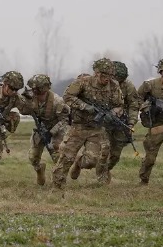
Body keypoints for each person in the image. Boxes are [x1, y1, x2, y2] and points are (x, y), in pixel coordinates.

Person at [52, 58, 127, 188]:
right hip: (78, 127)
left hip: (96, 128)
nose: (107, 78)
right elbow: (67, 97)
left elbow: (120, 105)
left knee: (93, 160)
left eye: (110, 75)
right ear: (96, 73)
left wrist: (113, 113)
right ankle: (57, 186)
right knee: (66, 157)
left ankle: (79, 163)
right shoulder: (83, 83)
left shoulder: (114, 86)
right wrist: (85, 106)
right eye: (104, 75)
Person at [15, 73, 69, 186]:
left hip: (56, 130)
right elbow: (23, 111)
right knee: (33, 157)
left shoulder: (57, 102)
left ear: (45, 90)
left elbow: (64, 121)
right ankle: (39, 170)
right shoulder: (31, 97)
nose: (37, 95)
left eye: (39, 92)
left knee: (58, 156)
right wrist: (26, 102)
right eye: (34, 91)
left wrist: (52, 133)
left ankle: (59, 181)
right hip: (40, 128)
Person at [97, 60, 140, 173]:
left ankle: (105, 170)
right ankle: (100, 170)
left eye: (121, 80)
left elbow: (134, 106)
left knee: (115, 155)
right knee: (104, 148)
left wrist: (131, 123)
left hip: (121, 122)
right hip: (103, 121)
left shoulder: (128, 86)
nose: (118, 83)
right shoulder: (101, 84)